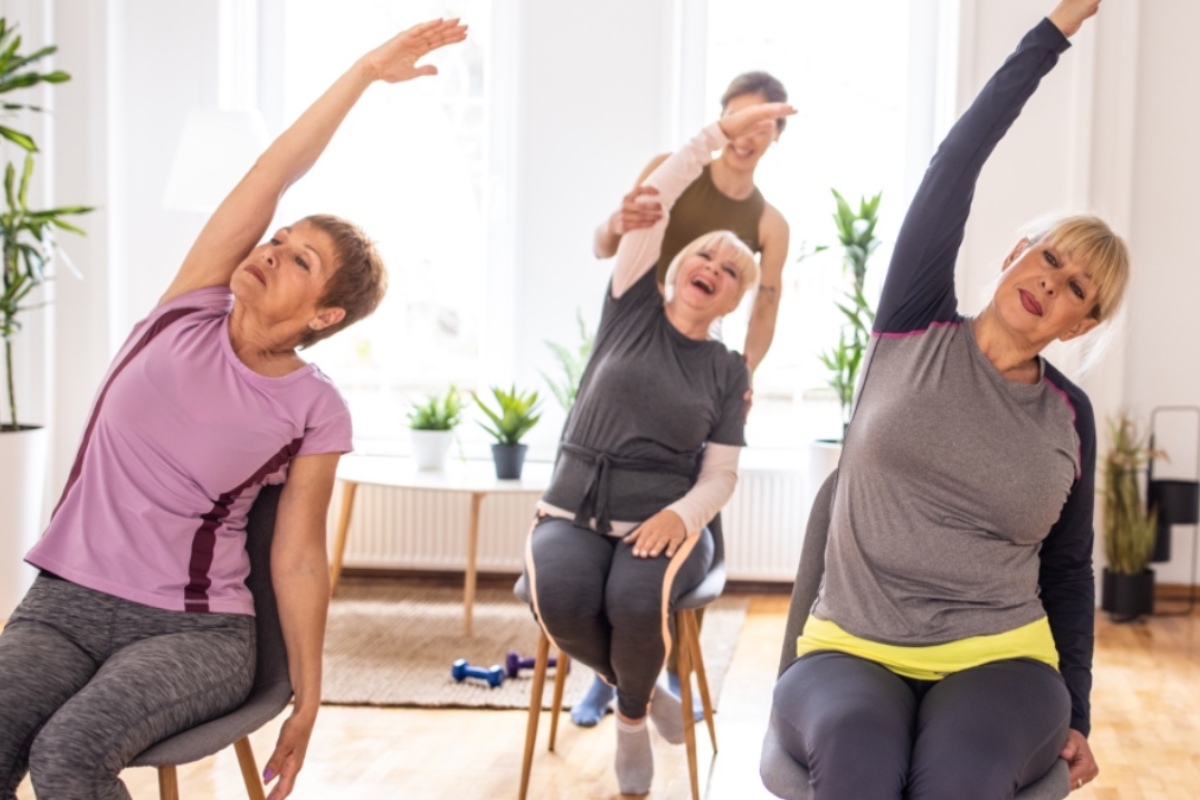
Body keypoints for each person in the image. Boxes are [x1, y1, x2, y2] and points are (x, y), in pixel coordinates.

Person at [0, 19, 465, 800]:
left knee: (68, 757)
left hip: (191, 630)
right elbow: (272, 170)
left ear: (325, 316)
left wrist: (308, 698)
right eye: (279, 239)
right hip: (62, 601)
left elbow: (298, 557)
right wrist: (361, 72)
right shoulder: (186, 310)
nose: (273, 251)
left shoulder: (314, 409)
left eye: (300, 260)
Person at [768, 2, 1121, 798]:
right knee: (858, 764)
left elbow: (1067, 570)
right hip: (851, 645)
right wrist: (1059, 28)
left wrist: (1082, 714)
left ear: (1080, 322)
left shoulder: (1069, 417)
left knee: (959, 779)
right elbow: (955, 162)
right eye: (1047, 257)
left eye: (1075, 289)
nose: (1049, 283)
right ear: (1013, 254)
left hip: (1002, 656)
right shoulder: (912, 323)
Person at [524, 100, 795, 795]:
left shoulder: (729, 370)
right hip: (575, 506)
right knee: (558, 598)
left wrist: (683, 517)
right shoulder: (631, 301)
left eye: (732, 269)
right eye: (705, 252)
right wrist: (718, 135)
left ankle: (630, 722)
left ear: (733, 301)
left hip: (665, 518)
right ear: (676, 267)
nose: (715, 264)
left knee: (638, 607)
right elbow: (662, 193)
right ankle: (639, 692)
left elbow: (722, 474)